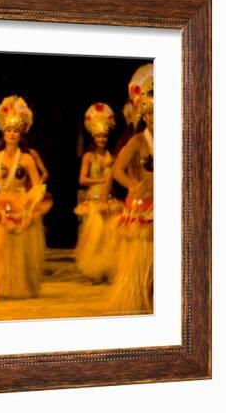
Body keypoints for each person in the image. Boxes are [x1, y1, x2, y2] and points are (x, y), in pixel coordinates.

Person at [0, 95, 51, 301]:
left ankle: (18, 286)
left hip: (20, 207)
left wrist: (27, 203)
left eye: (15, 131)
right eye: (8, 130)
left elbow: (38, 187)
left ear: (20, 135)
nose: (11, 134)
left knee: (19, 252)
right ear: (3, 133)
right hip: (0, 206)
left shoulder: (27, 158)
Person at [108, 63, 154, 315]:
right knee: (142, 260)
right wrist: (133, 185)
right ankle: (141, 301)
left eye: (156, 113)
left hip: (164, 203)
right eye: (148, 114)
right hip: (143, 208)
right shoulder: (137, 141)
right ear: (143, 116)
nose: (152, 118)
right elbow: (117, 170)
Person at [74, 102, 122, 284]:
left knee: (109, 238)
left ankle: (107, 270)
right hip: (93, 199)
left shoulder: (112, 156)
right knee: (93, 238)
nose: (101, 139)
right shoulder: (89, 157)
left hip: (108, 199)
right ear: (93, 137)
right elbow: (82, 180)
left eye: (104, 136)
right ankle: (93, 271)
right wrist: (103, 180)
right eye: (98, 136)